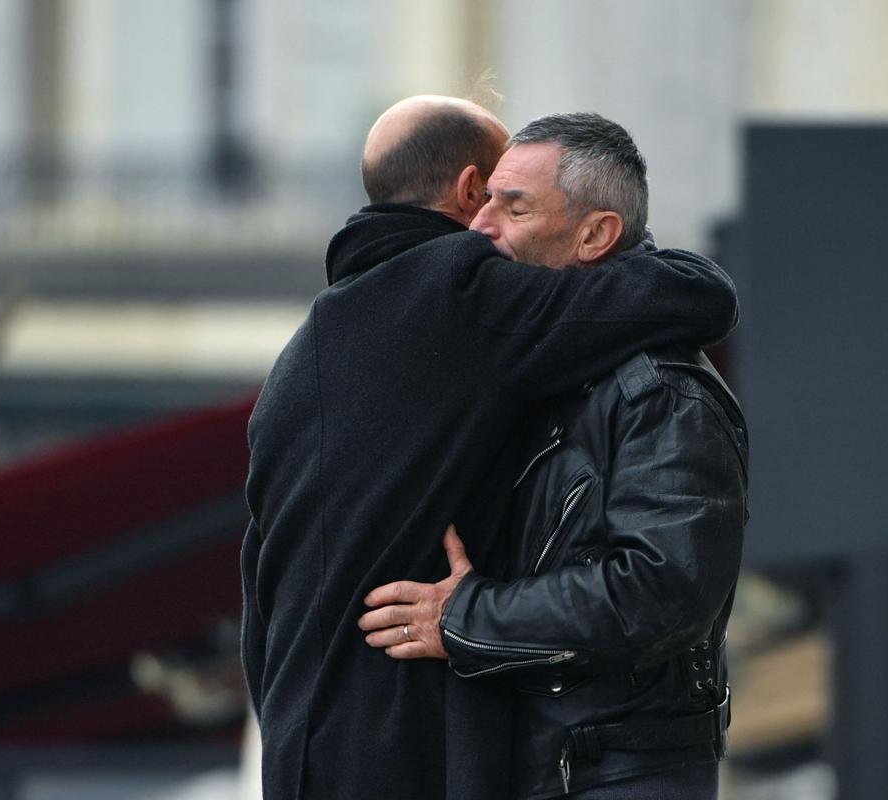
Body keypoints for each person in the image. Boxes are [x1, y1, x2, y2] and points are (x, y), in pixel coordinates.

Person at [241, 97, 739, 800]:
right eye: (491, 199)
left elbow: (258, 594)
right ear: (468, 188)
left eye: (516, 206)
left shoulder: (300, 362)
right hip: (417, 758)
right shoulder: (462, 294)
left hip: (303, 756)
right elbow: (700, 293)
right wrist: (466, 618)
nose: (483, 230)